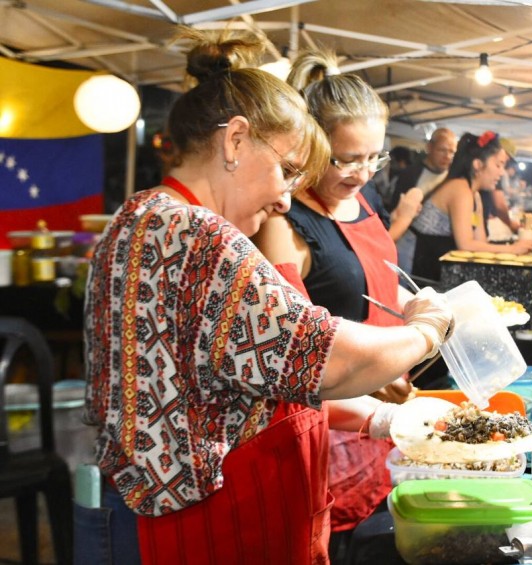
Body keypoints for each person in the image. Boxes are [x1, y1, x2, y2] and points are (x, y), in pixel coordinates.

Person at [79, 30, 452, 565]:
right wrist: (427, 330)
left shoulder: (134, 218)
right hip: (191, 526)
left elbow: (245, 370)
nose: (285, 200)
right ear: (235, 141)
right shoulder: (203, 239)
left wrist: (378, 419)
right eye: (287, 170)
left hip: (131, 514)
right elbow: (327, 360)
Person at [250, 49, 416, 556]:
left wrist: (419, 307)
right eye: (347, 158)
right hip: (327, 436)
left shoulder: (358, 198)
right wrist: (372, 391)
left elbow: (369, 281)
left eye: (374, 157)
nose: (363, 172)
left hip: (377, 437)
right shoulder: (283, 224)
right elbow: (288, 353)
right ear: (312, 143)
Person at [408, 131, 532, 281]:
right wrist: (511, 249)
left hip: (432, 264)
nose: (502, 173)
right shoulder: (460, 189)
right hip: (414, 262)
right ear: (478, 164)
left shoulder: (475, 195)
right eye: (498, 165)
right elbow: (466, 244)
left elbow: (480, 243)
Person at [392, 128, 458, 271]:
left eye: (452, 152)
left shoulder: (454, 178)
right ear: (429, 147)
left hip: (439, 251)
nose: (447, 156)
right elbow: (395, 209)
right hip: (410, 244)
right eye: (442, 150)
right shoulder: (410, 174)